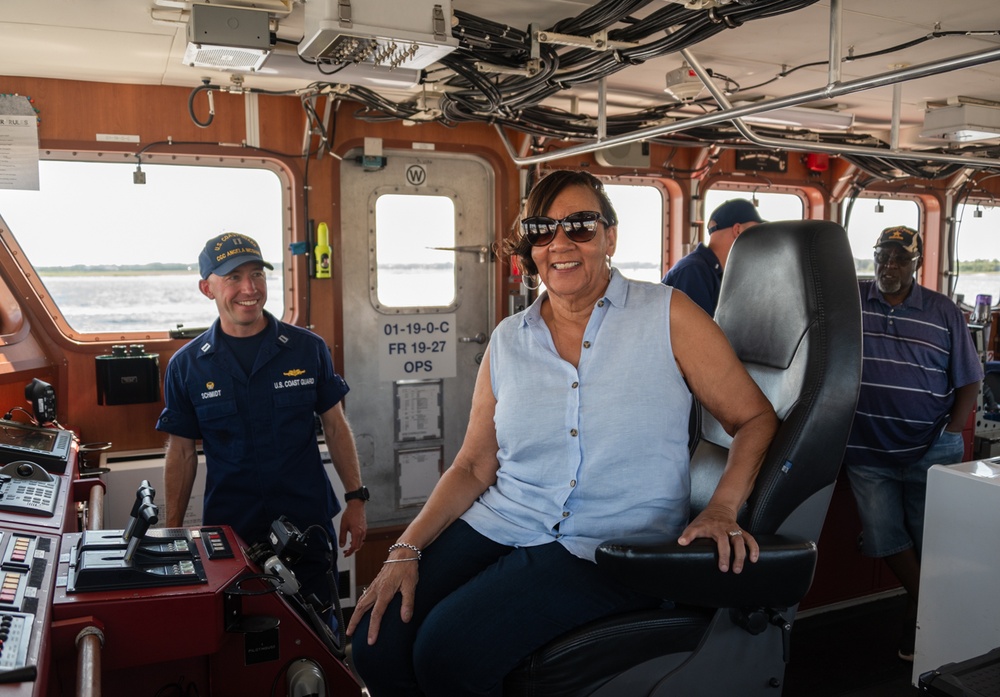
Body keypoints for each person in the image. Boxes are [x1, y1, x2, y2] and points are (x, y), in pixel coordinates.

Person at [347, 171, 779, 696]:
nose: (561, 244)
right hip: (506, 518)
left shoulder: (668, 314)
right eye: (543, 230)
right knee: (376, 643)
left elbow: (754, 418)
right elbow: (473, 465)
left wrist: (721, 507)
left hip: (610, 543)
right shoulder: (510, 339)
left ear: (610, 237)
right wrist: (405, 549)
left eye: (580, 226)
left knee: (448, 651)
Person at [156, 232, 368, 616]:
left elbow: (335, 427)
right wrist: (174, 532)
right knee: (243, 635)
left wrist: (356, 499)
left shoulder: (308, 348)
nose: (249, 288)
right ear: (207, 288)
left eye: (257, 274)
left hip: (307, 521)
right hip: (233, 530)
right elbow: (182, 453)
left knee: (321, 628)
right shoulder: (187, 366)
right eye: (233, 277)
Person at [844, 225, 982, 662]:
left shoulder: (943, 311)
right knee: (884, 536)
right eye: (882, 256)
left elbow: (970, 378)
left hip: (933, 446)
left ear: (916, 264)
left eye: (900, 258)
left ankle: (915, 626)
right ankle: (935, 611)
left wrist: (951, 431)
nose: (889, 265)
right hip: (867, 451)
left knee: (931, 543)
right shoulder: (851, 301)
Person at [662, 198, 763, 315]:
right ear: (738, 230)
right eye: (755, 231)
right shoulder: (694, 271)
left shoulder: (718, 273)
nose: (758, 239)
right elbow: (695, 332)